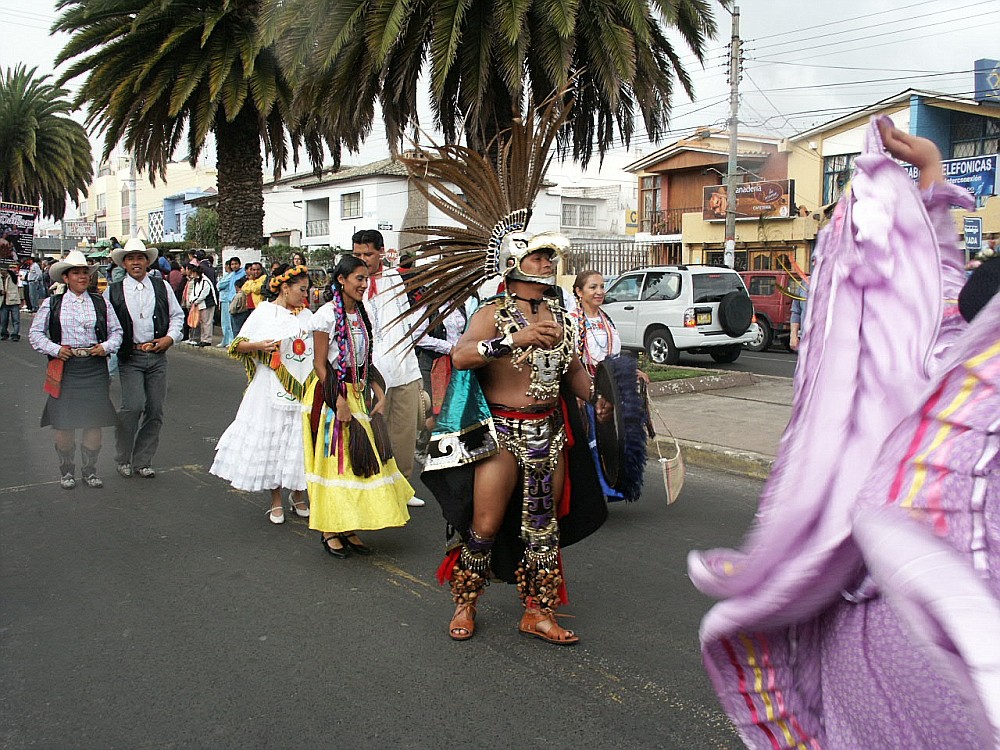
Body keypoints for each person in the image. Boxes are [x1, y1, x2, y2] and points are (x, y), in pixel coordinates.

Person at [688, 117, 1000, 749]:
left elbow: (919, 298)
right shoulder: (955, 371)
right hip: (899, 652)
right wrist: (931, 182)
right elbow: (930, 303)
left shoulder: (944, 368)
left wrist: (926, 188)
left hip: (892, 646)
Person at [304, 255, 413, 558]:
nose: (364, 285)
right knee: (337, 463)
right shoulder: (326, 315)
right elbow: (320, 363)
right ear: (342, 279)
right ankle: (329, 528)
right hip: (333, 395)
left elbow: (364, 359)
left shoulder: (363, 314)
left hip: (358, 392)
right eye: (359, 279)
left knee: (357, 464)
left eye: (366, 279)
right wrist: (337, 400)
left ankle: (348, 525)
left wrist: (379, 390)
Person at [211, 264, 314, 524]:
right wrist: (260, 345)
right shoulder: (265, 312)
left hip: (302, 390)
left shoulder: (306, 316)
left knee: (299, 443)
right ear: (285, 287)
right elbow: (238, 345)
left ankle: (299, 494)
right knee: (274, 443)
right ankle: (276, 500)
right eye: (301, 290)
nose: (304, 295)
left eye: (307, 290)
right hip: (270, 388)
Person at [28, 251, 123, 489]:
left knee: (94, 421)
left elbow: (117, 333)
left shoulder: (101, 302)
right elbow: (35, 334)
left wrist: (105, 347)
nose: (82, 277)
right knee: (64, 423)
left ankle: (89, 471)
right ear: (66, 277)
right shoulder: (53, 303)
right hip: (65, 368)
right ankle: (66, 471)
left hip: (94, 367)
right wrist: (56, 349)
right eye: (76, 273)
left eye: (84, 273)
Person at [353, 229, 426, 508]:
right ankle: (371, 488)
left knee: (404, 434)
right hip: (370, 373)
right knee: (371, 432)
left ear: (381, 252)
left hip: (403, 367)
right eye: (358, 254)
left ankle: (402, 488)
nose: (363, 259)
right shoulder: (350, 284)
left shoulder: (401, 279)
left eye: (368, 254)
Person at [105, 238, 185, 479]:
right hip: (130, 356)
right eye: (131, 258)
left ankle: (142, 460)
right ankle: (123, 457)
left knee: (155, 409)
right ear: (125, 263)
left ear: (147, 262)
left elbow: (177, 316)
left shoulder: (161, 287)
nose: (136, 262)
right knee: (132, 407)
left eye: (140, 257)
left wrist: (169, 339)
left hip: (157, 356)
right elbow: (107, 322)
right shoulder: (114, 290)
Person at [185, 261, 217, 346]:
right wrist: (192, 300)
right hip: (200, 304)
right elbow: (194, 292)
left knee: (207, 322)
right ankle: (202, 339)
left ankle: (207, 340)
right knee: (202, 322)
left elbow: (203, 294)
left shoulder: (205, 281)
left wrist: (196, 301)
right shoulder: (196, 281)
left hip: (207, 304)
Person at [216, 257, 246, 348]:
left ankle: (233, 341)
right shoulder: (232, 274)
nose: (234, 266)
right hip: (229, 299)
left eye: (236, 264)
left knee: (234, 323)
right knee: (226, 322)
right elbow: (219, 285)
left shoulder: (243, 273)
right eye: (232, 264)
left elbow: (220, 285)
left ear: (239, 264)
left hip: (238, 299)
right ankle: (227, 340)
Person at [0, 261, 21, 341]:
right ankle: (4, 333)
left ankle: (15, 334)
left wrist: (21, 300)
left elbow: (18, 287)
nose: (3, 272)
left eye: (4, 270)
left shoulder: (12, 276)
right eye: (1, 270)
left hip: (13, 300)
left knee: (16, 319)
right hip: (3, 301)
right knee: (3, 320)